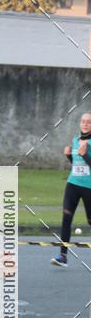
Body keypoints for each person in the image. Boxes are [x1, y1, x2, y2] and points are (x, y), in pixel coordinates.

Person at [51, 111, 91, 268]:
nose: (86, 123)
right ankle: (63, 256)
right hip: (73, 184)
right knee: (66, 218)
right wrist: (69, 156)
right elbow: (77, 164)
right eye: (83, 121)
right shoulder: (75, 140)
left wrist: (85, 154)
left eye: (89, 121)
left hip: (89, 187)